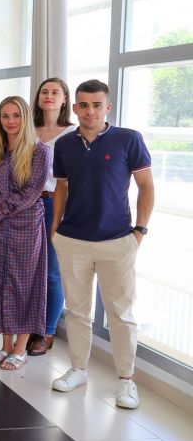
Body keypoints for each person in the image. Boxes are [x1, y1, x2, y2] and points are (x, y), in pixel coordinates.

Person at [50, 79, 154, 409]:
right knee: (77, 312)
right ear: (74, 108)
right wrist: (55, 229)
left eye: (96, 105)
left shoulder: (128, 139)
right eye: (83, 105)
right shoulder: (64, 145)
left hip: (117, 240)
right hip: (73, 240)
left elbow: (146, 186)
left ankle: (126, 380)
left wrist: (140, 231)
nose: (90, 111)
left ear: (107, 107)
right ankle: (78, 370)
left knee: (121, 314)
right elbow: (61, 188)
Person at [0, 96, 50, 371]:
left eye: (16, 115)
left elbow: (31, 194)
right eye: (5, 116)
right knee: (0, 284)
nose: (10, 121)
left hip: (27, 227)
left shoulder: (40, 151)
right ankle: (5, 345)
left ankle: (21, 347)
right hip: (0, 229)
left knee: (25, 286)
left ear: (26, 118)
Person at [28, 77, 75, 356]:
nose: (49, 96)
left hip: (54, 204)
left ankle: (46, 332)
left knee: (52, 272)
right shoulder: (28, 129)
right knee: (29, 271)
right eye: (44, 91)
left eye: (55, 92)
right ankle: (29, 326)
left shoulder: (73, 133)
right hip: (26, 205)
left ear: (64, 98)